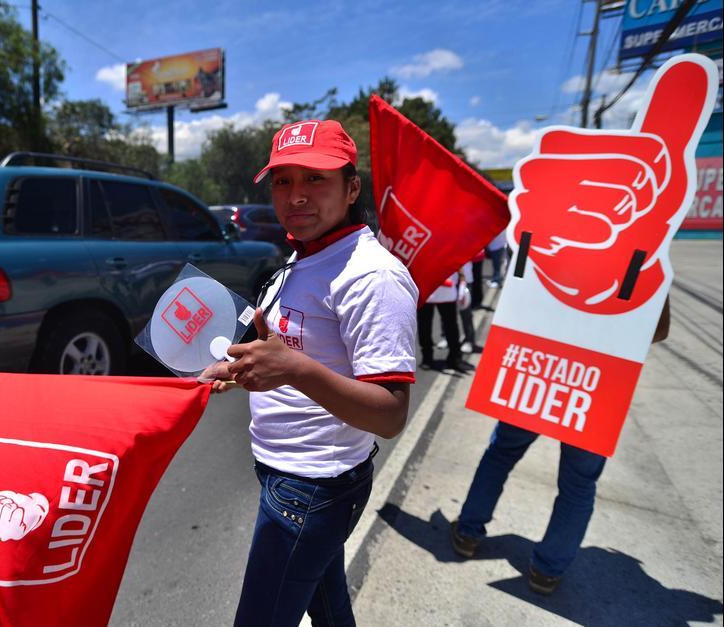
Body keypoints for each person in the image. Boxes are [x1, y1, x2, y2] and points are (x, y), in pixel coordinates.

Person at [201, 119, 418, 626]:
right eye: (283, 181)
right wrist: (243, 368)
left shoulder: (371, 276)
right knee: (327, 606)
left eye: (315, 178)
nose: (296, 195)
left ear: (351, 188)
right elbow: (292, 351)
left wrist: (293, 369)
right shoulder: (306, 256)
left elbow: (389, 414)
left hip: (313, 487)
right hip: (285, 473)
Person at [450, 297, 672, 595]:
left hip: (542, 367)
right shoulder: (646, 256)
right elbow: (658, 331)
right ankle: (546, 572)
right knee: (579, 485)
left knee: (501, 454)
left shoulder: (554, 246)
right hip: (599, 382)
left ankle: (468, 534)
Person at [419, 265, 472, 373]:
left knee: (451, 325)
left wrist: (462, 279)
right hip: (426, 289)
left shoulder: (450, 247)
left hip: (447, 291)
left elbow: (458, 260)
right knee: (424, 325)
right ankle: (427, 357)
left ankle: (455, 358)